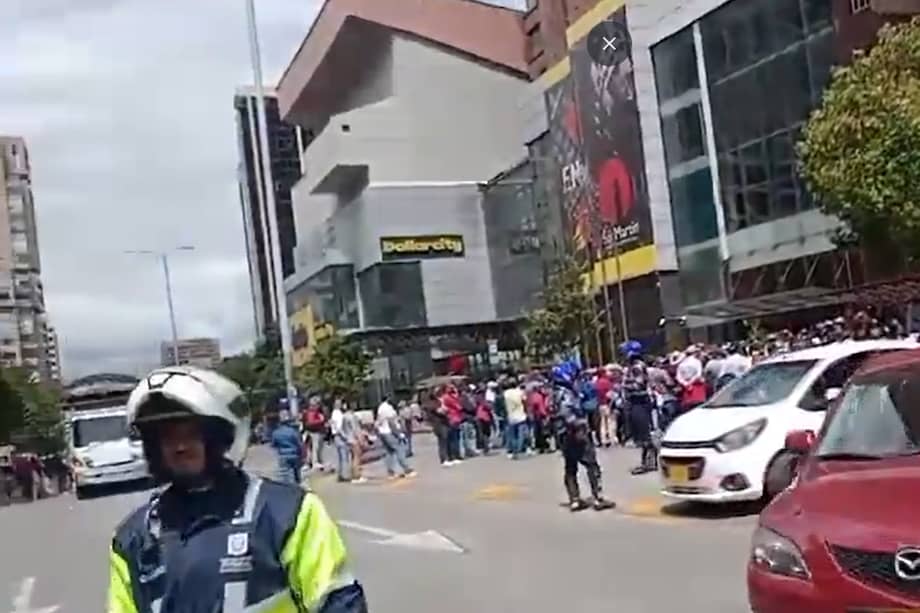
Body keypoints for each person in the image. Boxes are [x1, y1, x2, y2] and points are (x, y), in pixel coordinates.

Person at [107, 366, 368, 613]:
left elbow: (338, 602)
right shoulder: (134, 538)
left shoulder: (287, 513)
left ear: (217, 437)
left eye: (190, 434)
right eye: (166, 437)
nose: (179, 447)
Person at [552, 360, 616, 512]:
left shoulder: (556, 392)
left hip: (563, 435)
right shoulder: (565, 393)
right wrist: (580, 425)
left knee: (570, 468)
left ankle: (574, 499)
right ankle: (597, 498)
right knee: (591, 465)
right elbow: (567, 413)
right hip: (575, 433)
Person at [375, 396, 415, 479]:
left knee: (389, 452)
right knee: (399, 449)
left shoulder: (381, 407)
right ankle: (406, 469)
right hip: (389, 432)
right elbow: (391, 422)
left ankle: (391, 472)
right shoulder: (388, 408)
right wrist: (398, 433)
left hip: (382, 432)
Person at [271, 409, 305, 485]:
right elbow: (300, 444)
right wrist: (303, 456)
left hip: (283, 456)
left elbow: (273, 445)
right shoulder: (293, 431)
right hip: (295, 455)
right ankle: (297, 487)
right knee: (297, 475)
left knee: (285, 476)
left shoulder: (276, 433)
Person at [503, 381, 528, 459]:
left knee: (512, 436)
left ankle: (514, 451)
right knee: (521, 435)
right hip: (521, 415)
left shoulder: (506, 393)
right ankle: (518, 449)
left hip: (511, 416)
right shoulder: (520, 392)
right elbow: (525, 401)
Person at [302, 396, 327, 471]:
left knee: (311, 449)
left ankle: (310, 462)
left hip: (313, 432)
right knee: (315, 448)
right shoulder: (311, 412)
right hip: (314, 432)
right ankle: (314, 462)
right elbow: (311, 422)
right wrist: (321, 421)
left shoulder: (310, 412)